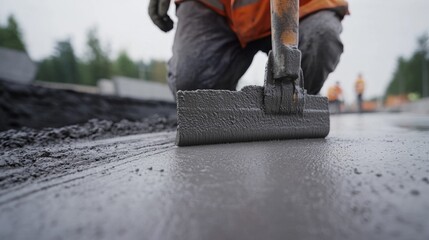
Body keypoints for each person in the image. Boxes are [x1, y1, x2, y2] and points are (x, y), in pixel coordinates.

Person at [148, 0, 349, 97]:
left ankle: (293, 103)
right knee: (193, 90)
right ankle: (222, 113)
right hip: (216, 7)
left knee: (320, 38)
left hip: (301, 7)